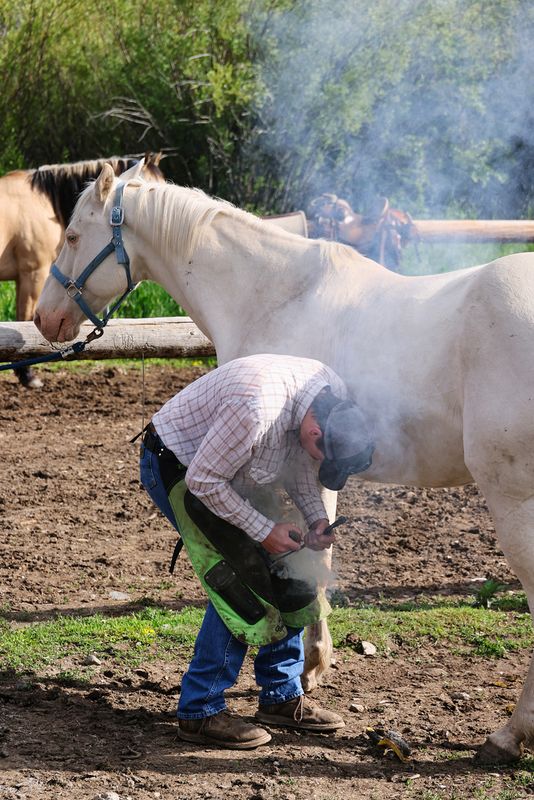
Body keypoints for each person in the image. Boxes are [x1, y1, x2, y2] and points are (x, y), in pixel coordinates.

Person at [139, 353, 373, 749]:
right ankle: (199, 711)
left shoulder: (330, 395)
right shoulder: (256, 409)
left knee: (294, 567)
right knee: (239, 579)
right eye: (323, 456)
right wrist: (264, 531)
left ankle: (281, 695)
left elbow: (300, 462)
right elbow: (204, 481)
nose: (318, 463)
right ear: (315, 431)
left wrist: (316, 518)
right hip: (181, 466)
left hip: (235, 466)